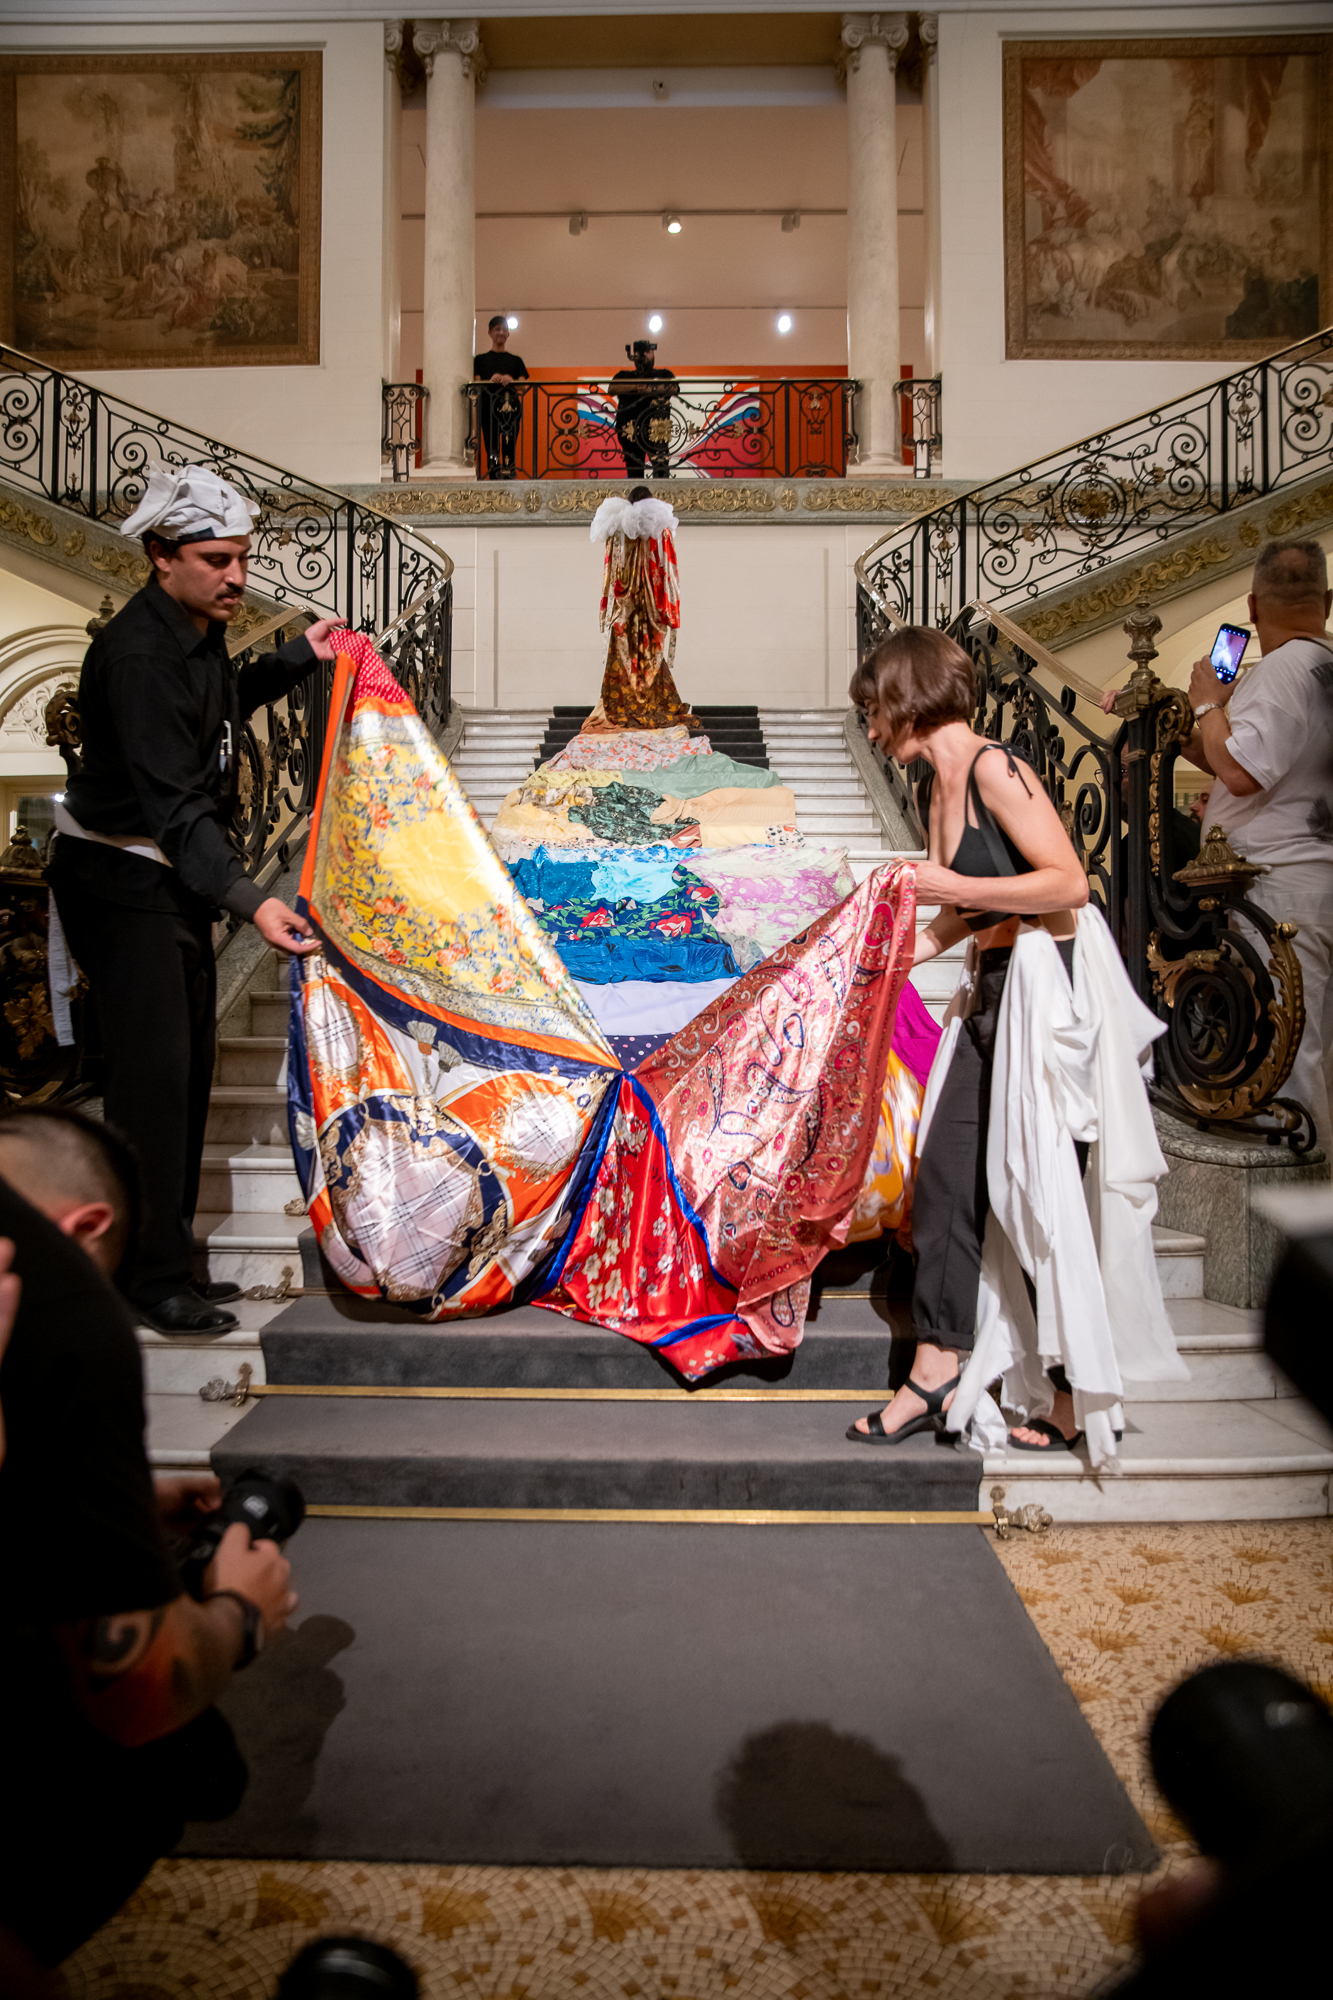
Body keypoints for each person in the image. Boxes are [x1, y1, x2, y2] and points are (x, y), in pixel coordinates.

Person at [0, 1104, 296, 1967]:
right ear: (86, 1228)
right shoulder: (51, 1282)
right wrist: (240, 1613)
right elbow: (137, 1690)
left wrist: (103, 1504)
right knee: (172, 1767)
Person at [46, 464, 333, 1336]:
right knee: (151, 1089)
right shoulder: (137, 654)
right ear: (160, 555)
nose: (236, 577)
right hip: (123, 882)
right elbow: (174, 806)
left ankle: (171, 1263)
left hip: (165, 883)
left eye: (242, 558)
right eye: (216, 560)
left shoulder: (195, 630)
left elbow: (216, 707)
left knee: (185, 1079)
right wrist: (253, 902)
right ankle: (146, 1278)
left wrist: (296, 658)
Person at [844, 627, 1093, 1449]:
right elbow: (966, 910)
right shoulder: (934, 788)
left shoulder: (995, 769)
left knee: (1041, 1195)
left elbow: (1068, 883)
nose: (869, 726)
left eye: (874, 708)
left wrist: (947, 883)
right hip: (989, 990)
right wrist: (902, 956)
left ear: (906, 698)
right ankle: (936, 1366)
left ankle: (1070, 1397)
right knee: (945, 1180)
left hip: (1044, 993)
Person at [1101, 540, 1333, 1150]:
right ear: (1328, 602)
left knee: (1288, 1052)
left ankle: (1292, 1180)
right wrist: (1179, 729)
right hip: (1312, 879)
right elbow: (1232, 761)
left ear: (1252, 607)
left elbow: (1239, 773)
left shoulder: (1282, 670)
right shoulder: (1321, 665)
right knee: (1315, 1045)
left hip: (1279, 889)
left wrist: (1206, 698)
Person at [585, 487, 699, 735]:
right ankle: (651, 703)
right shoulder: (661, 531)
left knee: (623, 659)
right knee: (650, 659)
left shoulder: (616, 531)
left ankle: (621, 705)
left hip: (624, 609)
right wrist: (668, 610)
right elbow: (668, 574)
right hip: (652, 609)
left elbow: (611, 575)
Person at [610, 340, 679, 479]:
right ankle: (638, 493)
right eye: (639, 352)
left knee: (661, 469)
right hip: (629, 428)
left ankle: (661, 493)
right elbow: (612, 389)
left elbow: (674, 388)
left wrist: (649, 388)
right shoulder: (623, 375)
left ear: (653, 353)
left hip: (657, 428)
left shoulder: (664, 373)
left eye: (647, 351)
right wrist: (636, 386)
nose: (643, 355)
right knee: (634, 470)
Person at [472, 315, 530, 480]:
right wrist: (490, 380)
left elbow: (524, 386)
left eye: (504, 330)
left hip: (511, 411)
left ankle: (509, 477)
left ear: (508, 334)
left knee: (509, 446)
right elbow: (476, 385)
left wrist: (511, 380)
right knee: (492, 447)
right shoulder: (480, 360)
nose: (501, 333)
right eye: (497, 329)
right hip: (487, 410)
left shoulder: (516, 360)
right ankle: (494, 478)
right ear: (490, 332)